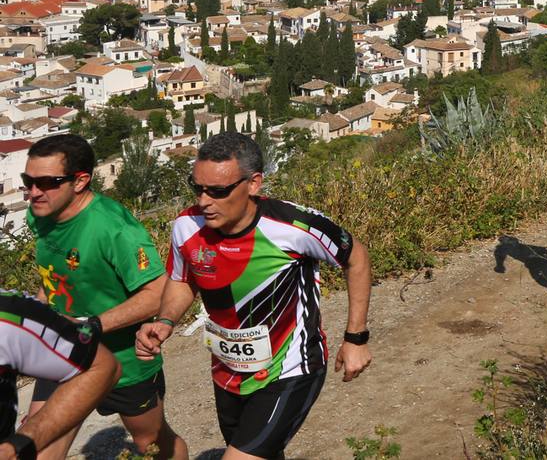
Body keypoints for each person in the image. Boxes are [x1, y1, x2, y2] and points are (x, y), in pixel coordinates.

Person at [135, 133, 373, 460]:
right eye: (197, 188)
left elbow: (356, 257)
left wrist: (356, 338)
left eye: (218, 191)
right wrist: (165, 321)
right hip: (228, 370)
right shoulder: (186, 226)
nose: (204, 201)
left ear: (253, 184)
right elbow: (182, 280)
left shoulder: (292, 225)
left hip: (291, 367)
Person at [24, 134, 188, 460]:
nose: (34, 192)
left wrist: (89, 327)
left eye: (46, 182)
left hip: (125, 362)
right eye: (28, 181)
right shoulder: (39, 214)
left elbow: (158, 293)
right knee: (34, 444)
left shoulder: (113, 228)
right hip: (63, 356)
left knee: (152, 446)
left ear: (81, 181)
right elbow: (54, 276)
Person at [0, 291, 120, 459]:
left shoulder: (6, 317)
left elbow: (100, 366)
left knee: (147, 437)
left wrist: (24, 440)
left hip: (130, 361)